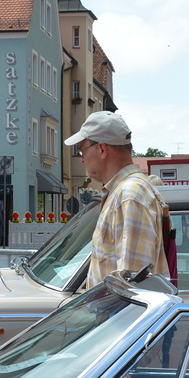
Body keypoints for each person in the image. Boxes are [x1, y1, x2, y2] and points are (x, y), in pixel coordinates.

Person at [65, 111, 171, 285]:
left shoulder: (130, 195)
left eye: (82, 151)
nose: (81, 159)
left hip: (117, 312)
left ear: (101, 149)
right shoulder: (127, 192)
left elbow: (132, 286)